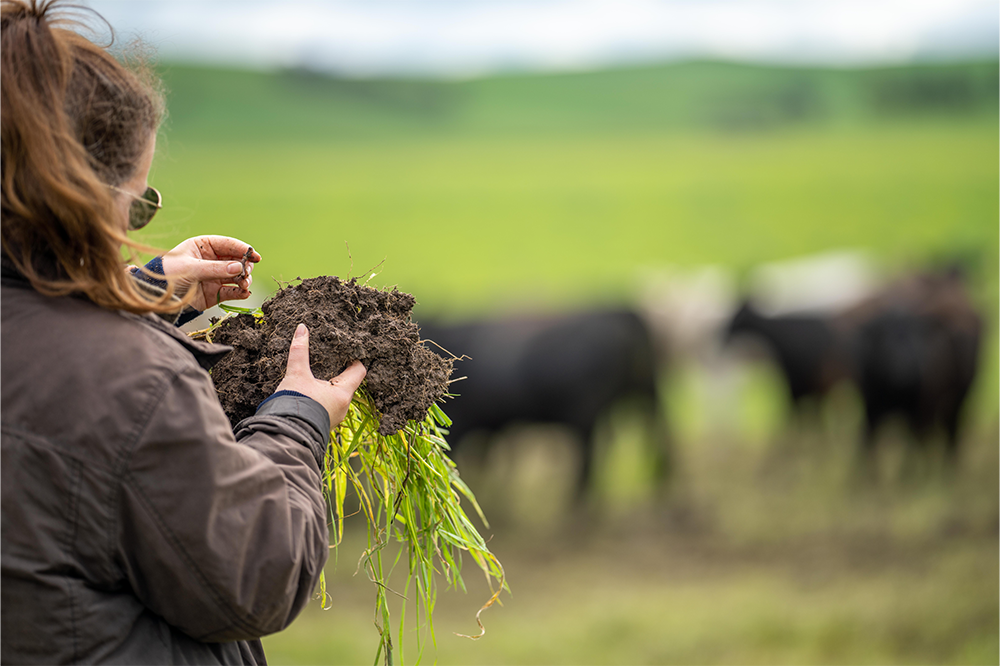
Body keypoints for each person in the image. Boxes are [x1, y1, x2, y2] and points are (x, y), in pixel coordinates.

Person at [0, 1, 366, 663]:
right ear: (79, 194)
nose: (134, 224)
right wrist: (296, 421)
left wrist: (137, 293)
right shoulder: (136, 385)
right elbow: (256, 573)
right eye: (137, 201)